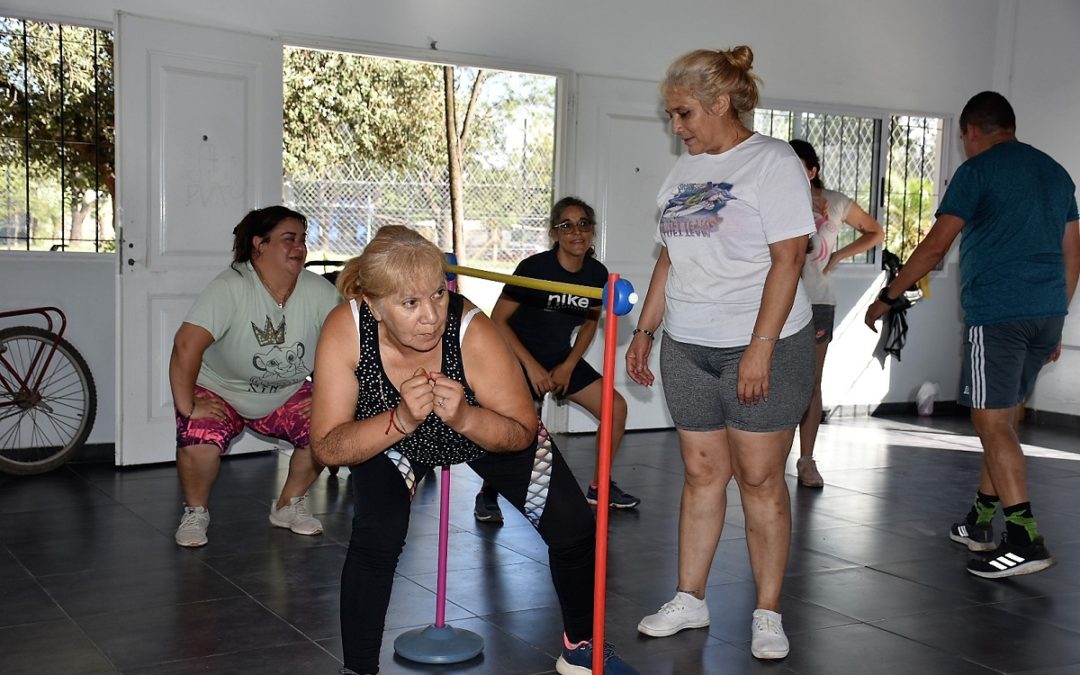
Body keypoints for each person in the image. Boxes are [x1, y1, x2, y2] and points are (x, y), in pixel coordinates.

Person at [309, 226, 639, 675]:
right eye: (410, 303)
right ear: (372, 304)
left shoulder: (472, 331)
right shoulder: (346, 329)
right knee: (376, 536)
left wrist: (465, 417)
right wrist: (402, 420)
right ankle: (359, 669)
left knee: (575, 527)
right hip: (394, 439)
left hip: (481, 428)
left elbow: (522, 430)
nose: (431, 316)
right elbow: (327, 447)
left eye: (438, 295)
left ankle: (581, 646)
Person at [625, 46, 816, 660]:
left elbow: (789, 260)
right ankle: (690, 597)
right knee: (703, 474)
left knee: (760, 480)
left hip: (763, 344)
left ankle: (766, 612)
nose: (676, 127)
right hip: (688, 344)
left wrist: (761, 345)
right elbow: (667, 257)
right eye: (671, 116)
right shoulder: (684, 169)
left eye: (683, 114)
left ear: (720, 103)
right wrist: (646, 330)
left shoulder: (772, 162)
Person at [865, 91, 1079, 578]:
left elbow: (934, 247)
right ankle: (981, 522)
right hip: (1045, 312)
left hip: (997, 315)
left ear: (971, 132)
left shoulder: (978, 171)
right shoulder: (1055, 172)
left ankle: (1024, 537)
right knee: (1002, 419)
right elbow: (1074, 254)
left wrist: (890, 296)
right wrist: (1057, 316)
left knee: (992, 424)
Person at [169, 205, 339, 547]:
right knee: (199, 438)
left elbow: (345, 347)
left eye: (302, 239)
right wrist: (187, 405)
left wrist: (325, 394)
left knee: (329, 430)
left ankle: (289, 505)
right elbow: (186, 346)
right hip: (221, 390)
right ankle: (196, 512)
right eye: (288, 239)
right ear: (259, 244)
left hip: (286, 392)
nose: (299, 247)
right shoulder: (230, 287)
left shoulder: (320, 292)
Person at [472, 197, 638, 523]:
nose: (577, 232)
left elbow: (591, 323)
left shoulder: (596, 274)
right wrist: (532, 368)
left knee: (616, 408)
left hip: (560, 357)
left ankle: (599, 486)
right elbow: (498, 320)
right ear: (555, 233)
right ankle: (488, 494)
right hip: (518, 355)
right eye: (567, 225)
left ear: (591, 232)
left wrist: (569, 365)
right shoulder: (535, 269)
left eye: (584, 224)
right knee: (520, 425)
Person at [788, 139, 884, 488]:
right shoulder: (773, 200)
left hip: (817, 301)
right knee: (779, 382)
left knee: (811, 383)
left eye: (798, 168)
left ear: (812, 171)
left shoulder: (836, 203)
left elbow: (876, 231)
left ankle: (807, 460)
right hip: (778, 303)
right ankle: (770, 457)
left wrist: (841, 255)